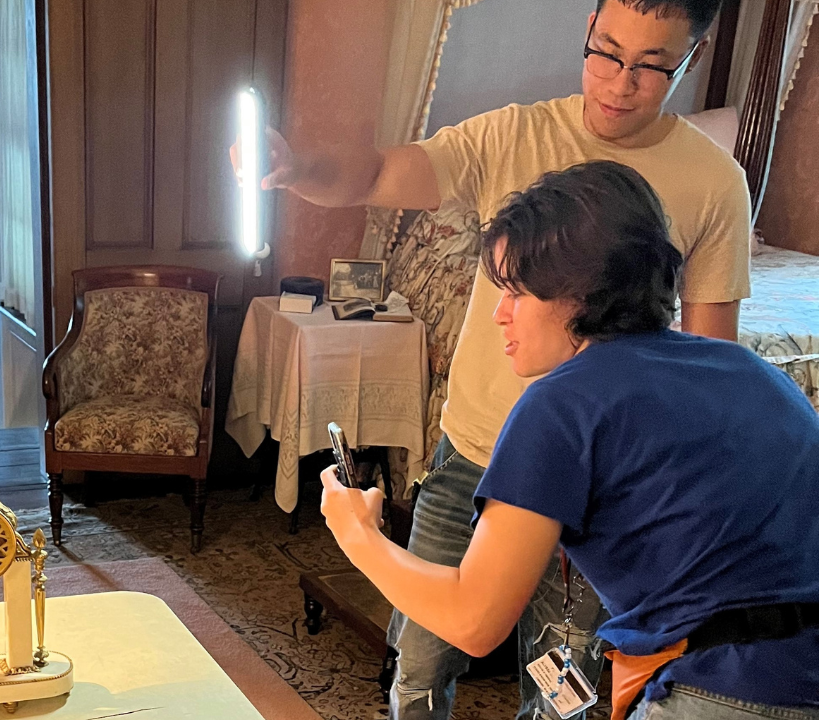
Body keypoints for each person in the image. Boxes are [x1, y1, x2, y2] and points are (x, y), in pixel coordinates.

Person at [233, 1, 750, 717]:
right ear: (587, 34)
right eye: (604, 51)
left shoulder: (714, 180)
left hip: (598, 489)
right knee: (418, 660)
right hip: (475, 452)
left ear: (690, 59)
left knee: (559, 687)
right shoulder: (515, 134)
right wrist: (297, 167)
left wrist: (355, 532)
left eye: (650, 66)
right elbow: (379, 172)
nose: (619, 81)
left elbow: (707, 362)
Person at [319, 160, 819, 720]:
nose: (498, 314)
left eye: (516, 291)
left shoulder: (563, 403)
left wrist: (357, 534)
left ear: (579, 292)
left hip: (722, 692)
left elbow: (474, 622)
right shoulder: (754, 372)